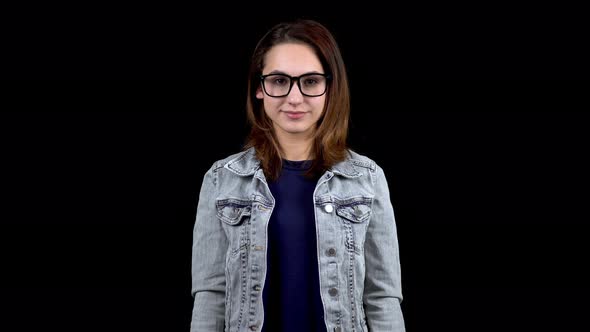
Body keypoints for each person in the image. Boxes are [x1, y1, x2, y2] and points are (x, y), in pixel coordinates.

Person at [190, 19, 405, 332]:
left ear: (330, 88)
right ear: (259, 89)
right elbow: (211, 295)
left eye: (310, 81)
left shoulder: (367, 179)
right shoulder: (221, 179)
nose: (294, 97)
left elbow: (382, 296)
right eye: (279, 81)